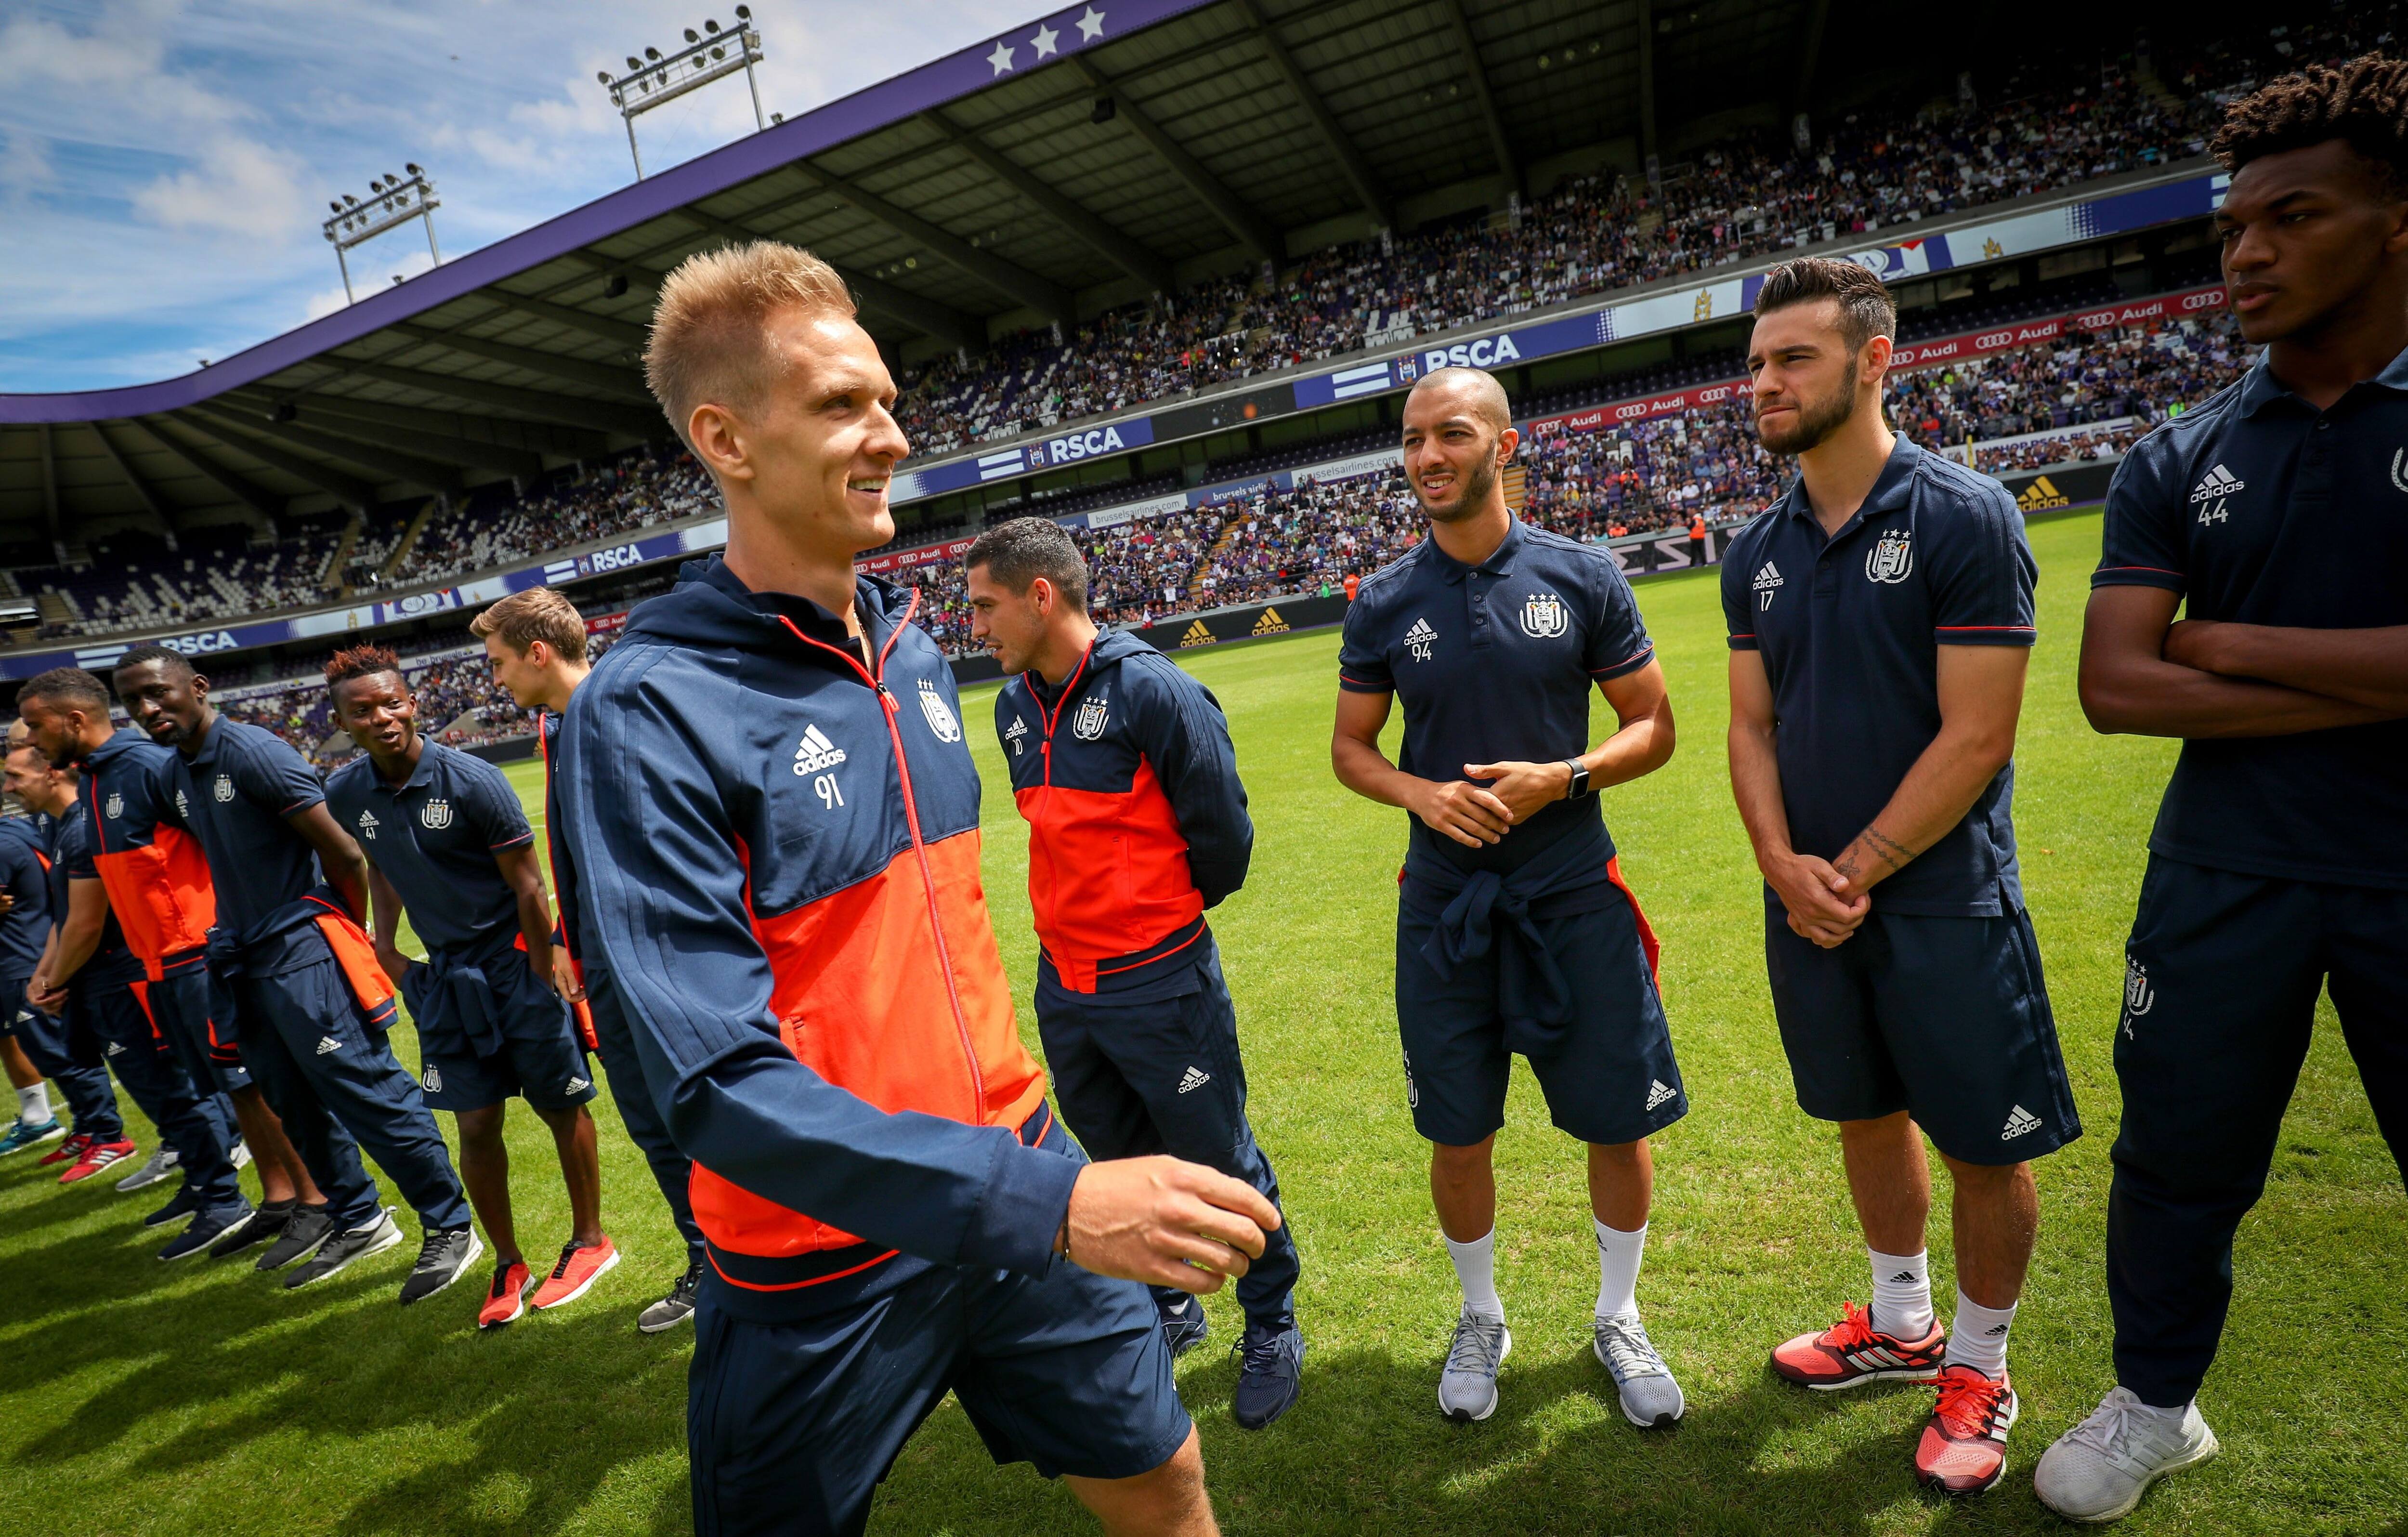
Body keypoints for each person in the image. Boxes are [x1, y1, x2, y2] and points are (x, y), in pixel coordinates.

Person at [557, 240, 1279, 1537]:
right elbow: (708, 1081)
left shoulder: (918, 654)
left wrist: (1032, 1184)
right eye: (842, 404)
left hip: (1017, 1177)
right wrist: (1052, 1198)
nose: (889, 433)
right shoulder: (646, 708)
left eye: (888, 399)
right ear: (724, 437)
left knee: (1168, 1480)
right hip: (817, 1258)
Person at [2043, 56, 2408, 1523]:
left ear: (2392, 226)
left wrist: (2230, 641)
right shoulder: (2177, 450)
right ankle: (2152, 1401)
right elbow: (2116, 685)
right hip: (2223, 869)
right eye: (2230, 228)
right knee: (2174, 1153)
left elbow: (2170, 656)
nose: (2246, 253)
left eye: (2292, 216)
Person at [1720, 256, 2073, 1497]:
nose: (1761, 381)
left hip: (1937, 897)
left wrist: (1854, 865)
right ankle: (1900, 1319)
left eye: (1792, 359)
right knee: (1861, 1110)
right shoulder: (1753, 543)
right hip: (1809, 897)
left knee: (1984, 1141)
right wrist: (1780, 864)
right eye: (1757, 362)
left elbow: (1978, 733)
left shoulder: (1963, 512)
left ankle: (1978, 1363)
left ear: (1876, 360)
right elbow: (1750, 726)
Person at [1331, 365, 1689, 1430]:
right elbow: (1353, 748)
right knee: (1458, 1128)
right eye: (1411, 440)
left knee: (1616, 1124)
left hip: (1573, 892)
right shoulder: (1386, 598)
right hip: (1443, 906)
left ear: (1504, 445)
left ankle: (1617, 1315)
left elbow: (1653, 725)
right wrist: (1418, 794)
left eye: (1449, 434)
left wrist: (1562, 776)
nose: (1427, 457)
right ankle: (1480, 1314)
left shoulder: (1580, 575)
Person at [967, 515, 1305, 1430]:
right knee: (1116, 1162)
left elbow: (1224, 844)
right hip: (1066, 990)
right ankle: (1172, 1307)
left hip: (1162, 982)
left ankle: (1271, 1320)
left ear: (1043, 596)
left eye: (987, 607)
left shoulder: (1153, 690)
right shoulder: (1009, 708)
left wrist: (1153, 924)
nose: (978, 628)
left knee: (1216, 1156)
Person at [109, 646, 482, 1303]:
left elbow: (342, 852)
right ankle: (360, 1217)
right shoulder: (175, 773)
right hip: (241, 960)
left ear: (197, 687)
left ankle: (450, 1224)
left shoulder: (251, 751)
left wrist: (325, 933)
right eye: (134, 700)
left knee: (369, 1091)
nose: (148, 709)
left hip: (299, 954)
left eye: (159, 692)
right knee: (293, 1103)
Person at [324, 644, 618, 1329]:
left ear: (413, 701)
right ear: (342, 721)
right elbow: (381, 864)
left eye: (393, 701)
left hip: (514, 965)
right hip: (445, 981)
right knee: (476, 1122)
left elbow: (529, 882)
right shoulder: (346, 792)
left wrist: (546, 966)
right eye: (363, 710)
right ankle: (509, 1259)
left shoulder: (470, 779)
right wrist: (385, 944)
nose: (383, 716)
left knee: (557, 1101)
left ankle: (590, 1239)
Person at [20, 653, 322, 1257]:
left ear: (73, 720)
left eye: (34, 726)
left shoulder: (148, 766)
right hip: (161, 964)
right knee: (233, 1089)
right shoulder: (102, 776)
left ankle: (319, 1201)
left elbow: (227, 841)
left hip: (199, 955)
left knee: (256, 1082)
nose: (29, 740)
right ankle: (281, 1196)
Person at [476, 586, 708, 1333]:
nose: (497, 678)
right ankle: (717, 1265)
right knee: (653, 1122)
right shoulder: (565, 720)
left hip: (660, 963)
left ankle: (760, 1267)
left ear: (538, 652)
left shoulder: (620, 709)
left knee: (699, 1117)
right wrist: (565, 940)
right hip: (609, 964)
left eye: (500, 661)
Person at [0, 744, 130, 1179]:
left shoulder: (8, 841)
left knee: (64, 1055)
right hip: (31, 955)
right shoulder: (24, 831)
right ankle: (89, 1128)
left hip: (25, 960)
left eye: (15, 777)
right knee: (56, 1054)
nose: (10, 787)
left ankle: (108, 1134)